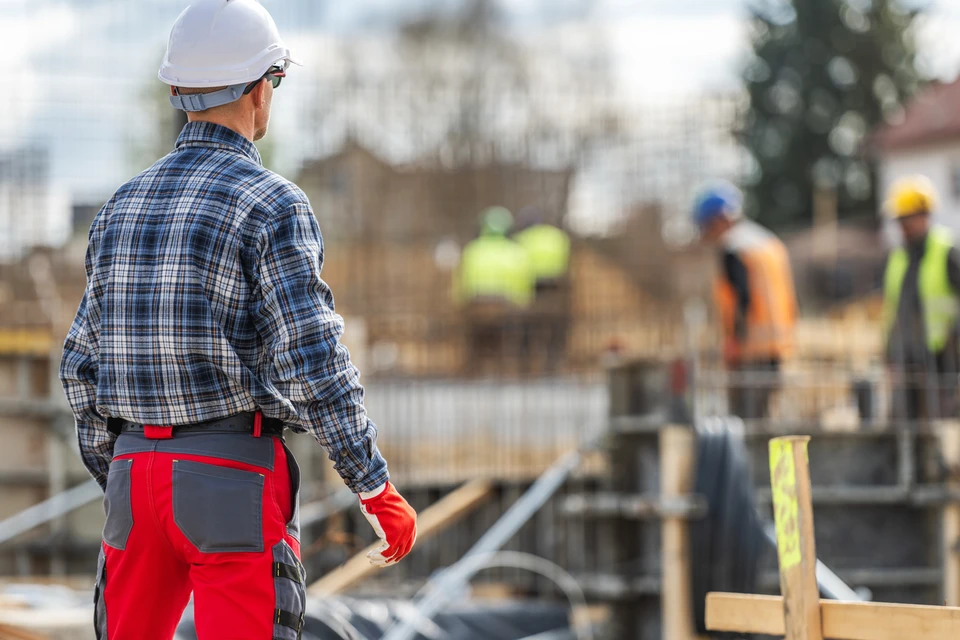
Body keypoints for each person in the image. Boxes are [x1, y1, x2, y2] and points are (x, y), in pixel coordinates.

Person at [58, 2, 417, 638]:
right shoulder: (273, 204)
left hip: (133, 477)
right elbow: (311, 360)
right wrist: (372, 484)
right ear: (259, 89)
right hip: (232, 479)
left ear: (178, 92)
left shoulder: (120, 206)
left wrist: (118, 472)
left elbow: (81, 365)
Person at [693, 180, 798, 420]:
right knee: (765, 419)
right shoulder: (768, 243)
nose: (707, 235)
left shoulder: (734, 248)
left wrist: (734, 340)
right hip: (777, 346)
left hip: (750, 350)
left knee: (745, 421)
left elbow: (743, 297)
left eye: (707, 227)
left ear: (719, 220)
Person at [883, 176, 960, 421]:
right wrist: (889, 352)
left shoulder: (946, 252)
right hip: (907, 359)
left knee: (938, 426)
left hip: (942, 360)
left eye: (906, 220)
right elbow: (893, 311)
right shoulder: (898, 258)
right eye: (899, 220)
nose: (902, 227)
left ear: (924, 215)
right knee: (904, 426)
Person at [455, 207, 535, 373]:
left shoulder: (472, 250)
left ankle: (474, 369)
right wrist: (524, 303)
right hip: (507, 309)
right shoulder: (517, 252)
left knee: (475, 340)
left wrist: (460, 304)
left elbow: (460, 284)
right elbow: (525, 287)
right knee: (512, 339)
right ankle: (510, 367)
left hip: (476, 307)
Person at [512, 207, 572, 372]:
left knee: (527, 324)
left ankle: (525, 362)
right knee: (557, 325)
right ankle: (553, 361)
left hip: (531, 288)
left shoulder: (519, 239)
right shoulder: (557, 236)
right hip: (555, 287)